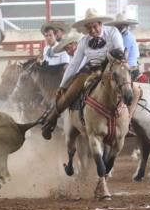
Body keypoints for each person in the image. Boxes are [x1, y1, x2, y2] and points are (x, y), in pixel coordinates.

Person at [41, 8, 124, 139]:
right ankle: (51, 119)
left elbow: (119, 51)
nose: (92, 30)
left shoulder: (113, 32)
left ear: (100, 24)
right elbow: (74, 64)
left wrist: (109, 65)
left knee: (129, 88)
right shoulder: (84, 41)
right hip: (90, 70)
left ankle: (129, 121)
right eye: (89, 28)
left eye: (94, 26)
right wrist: (62, 86)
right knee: (69, 93)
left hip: (111, 68)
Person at [105, 13, 141, 136]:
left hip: (129, 67)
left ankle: (128, 120)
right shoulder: (117, 36)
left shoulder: (128, 38)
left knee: (130, 90)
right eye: (118, 25)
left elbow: (125, 58)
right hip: (120, 67)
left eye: (121, 25)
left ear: (125, 25)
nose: (119, 27)